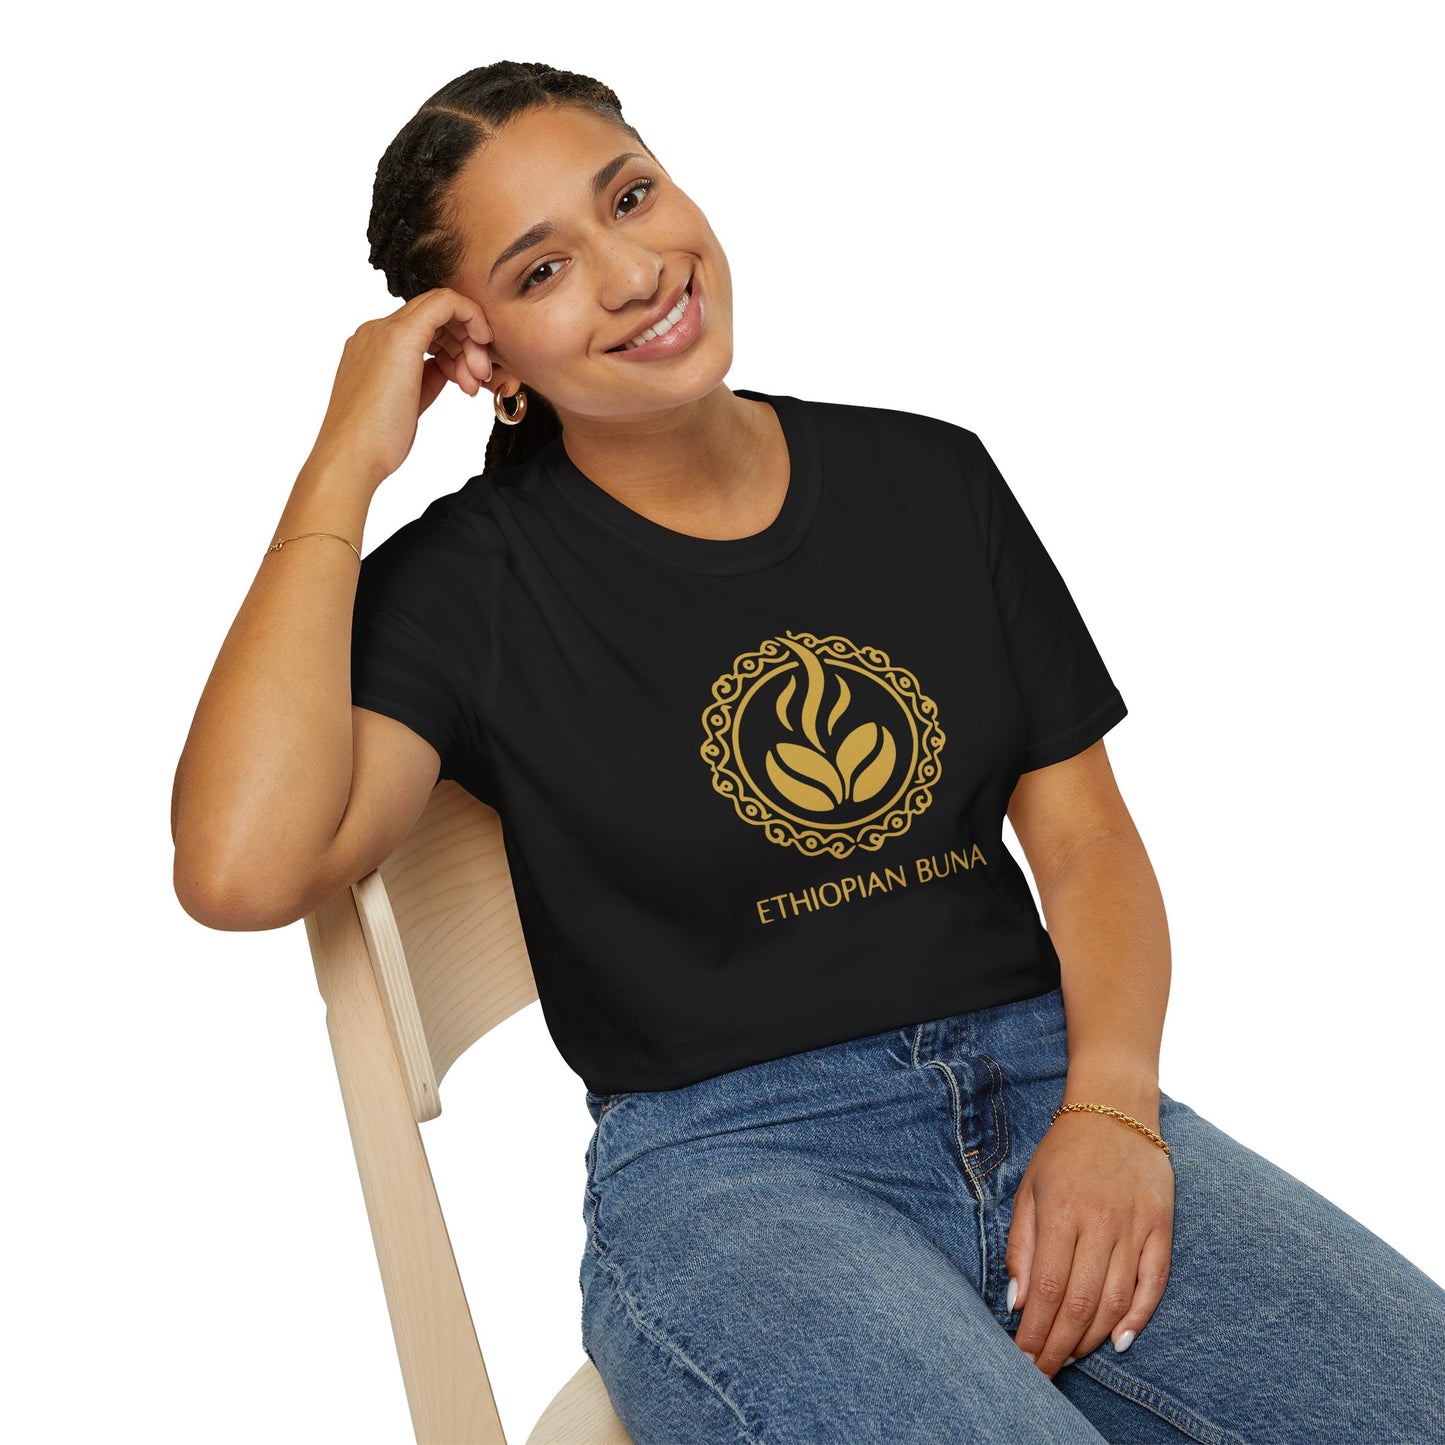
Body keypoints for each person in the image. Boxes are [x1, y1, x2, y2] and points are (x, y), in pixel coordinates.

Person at [171, 60, 1445, 1444]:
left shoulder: (930, 478)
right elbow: (240, 867)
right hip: (734, 1170)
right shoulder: (468, 583)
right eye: (541, 271)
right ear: (482, 358)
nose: (633, 270)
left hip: (1048, 1083)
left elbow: (1084, 847)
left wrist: (1113, 1110)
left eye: (632, 196)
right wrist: (341, 464)